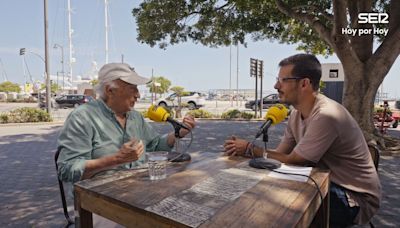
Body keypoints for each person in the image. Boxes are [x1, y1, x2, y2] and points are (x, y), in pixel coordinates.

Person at [223, 54, 381, 227]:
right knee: (264, 187)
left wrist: (251, 149)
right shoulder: (296, 114)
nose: (276, 86)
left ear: (304, 83)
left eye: (283, 80)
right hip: (324, 183)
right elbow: (282, 154)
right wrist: (248, 153)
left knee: (275, 202)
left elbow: (295, 160)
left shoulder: (326, 114)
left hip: (353, 197)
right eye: (277, 80)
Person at [57, 62, 195, 183]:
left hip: (136, 190)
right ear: (110, 90)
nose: (138, 94)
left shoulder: (135, 117)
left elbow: (155, 145)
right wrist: (116, 159)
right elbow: (66, 170)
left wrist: (179, 133)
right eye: (132, 88)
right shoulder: (82, 117)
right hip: (98, 200)